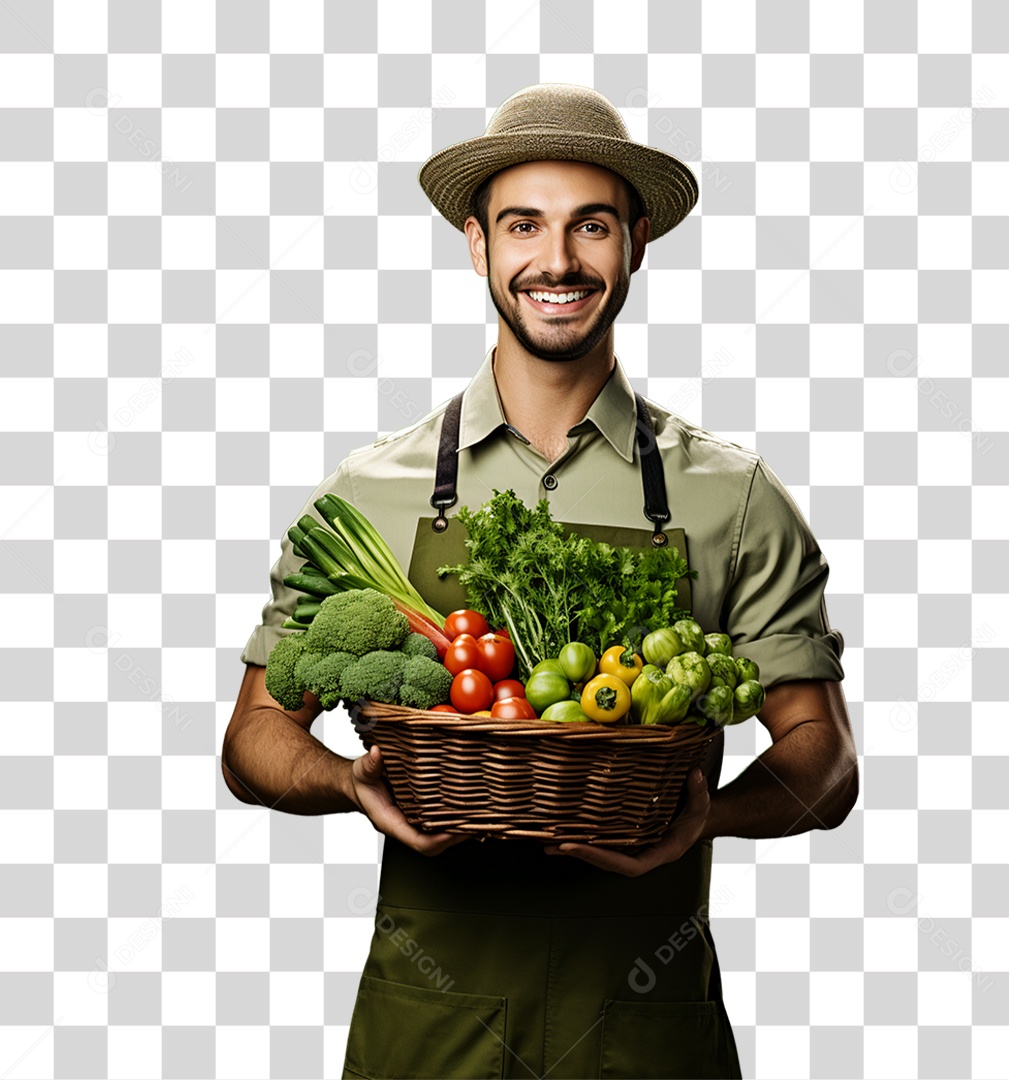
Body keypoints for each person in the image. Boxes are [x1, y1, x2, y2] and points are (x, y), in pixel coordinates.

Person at [222, 82, 858, 1080]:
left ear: (636, 242)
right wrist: (349, 782)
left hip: (646, 1032)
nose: (556, 261)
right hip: (426, 1028)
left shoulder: (733, 498)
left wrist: (713, 814)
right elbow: (254, 737)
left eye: (589, 226)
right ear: (478, 244)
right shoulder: (370, 492)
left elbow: (823, 757)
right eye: (524, 225)